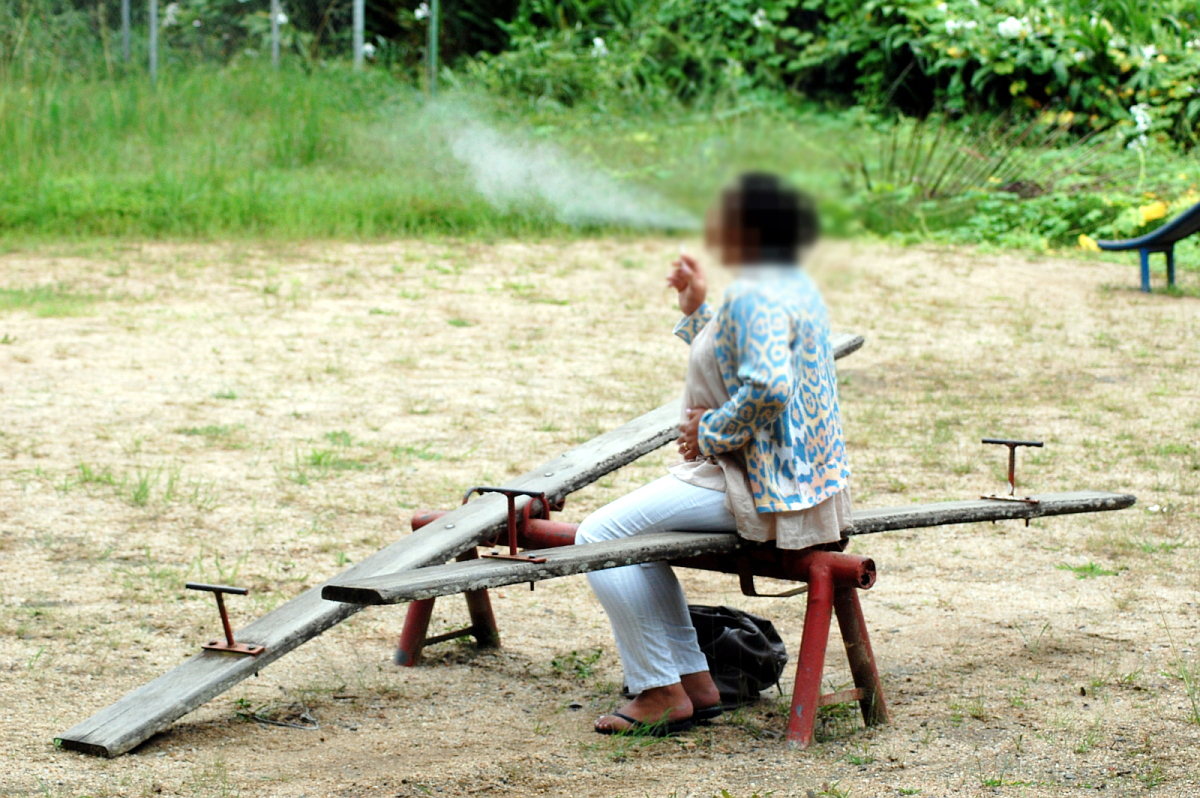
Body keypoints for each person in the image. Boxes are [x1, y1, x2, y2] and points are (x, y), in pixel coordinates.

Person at [576, 172, 853, 736]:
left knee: (599, 536)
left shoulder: (756, 293)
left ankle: (659, 689)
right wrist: (698, 310)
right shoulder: (788, 283)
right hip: (794, 485)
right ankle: (694, 683)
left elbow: (770, 387)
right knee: (632, 539)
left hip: (760, 486)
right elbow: (741, 355)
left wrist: (711, 434)